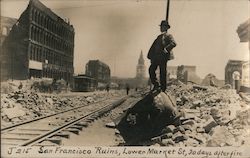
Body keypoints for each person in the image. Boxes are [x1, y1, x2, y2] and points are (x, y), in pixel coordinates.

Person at [147, 20, 176, 92]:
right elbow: (153, 47)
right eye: (161, 26)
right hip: (156, 57)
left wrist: (166, 49)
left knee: (162, 72)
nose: (160, 28)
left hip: (163, 57)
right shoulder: (159, 37)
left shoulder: (169, 36)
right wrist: (151, 56)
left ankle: (163, 88)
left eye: (162, 26)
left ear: (166, 28)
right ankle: (156, 85)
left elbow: (173, 43)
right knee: (151, 69)